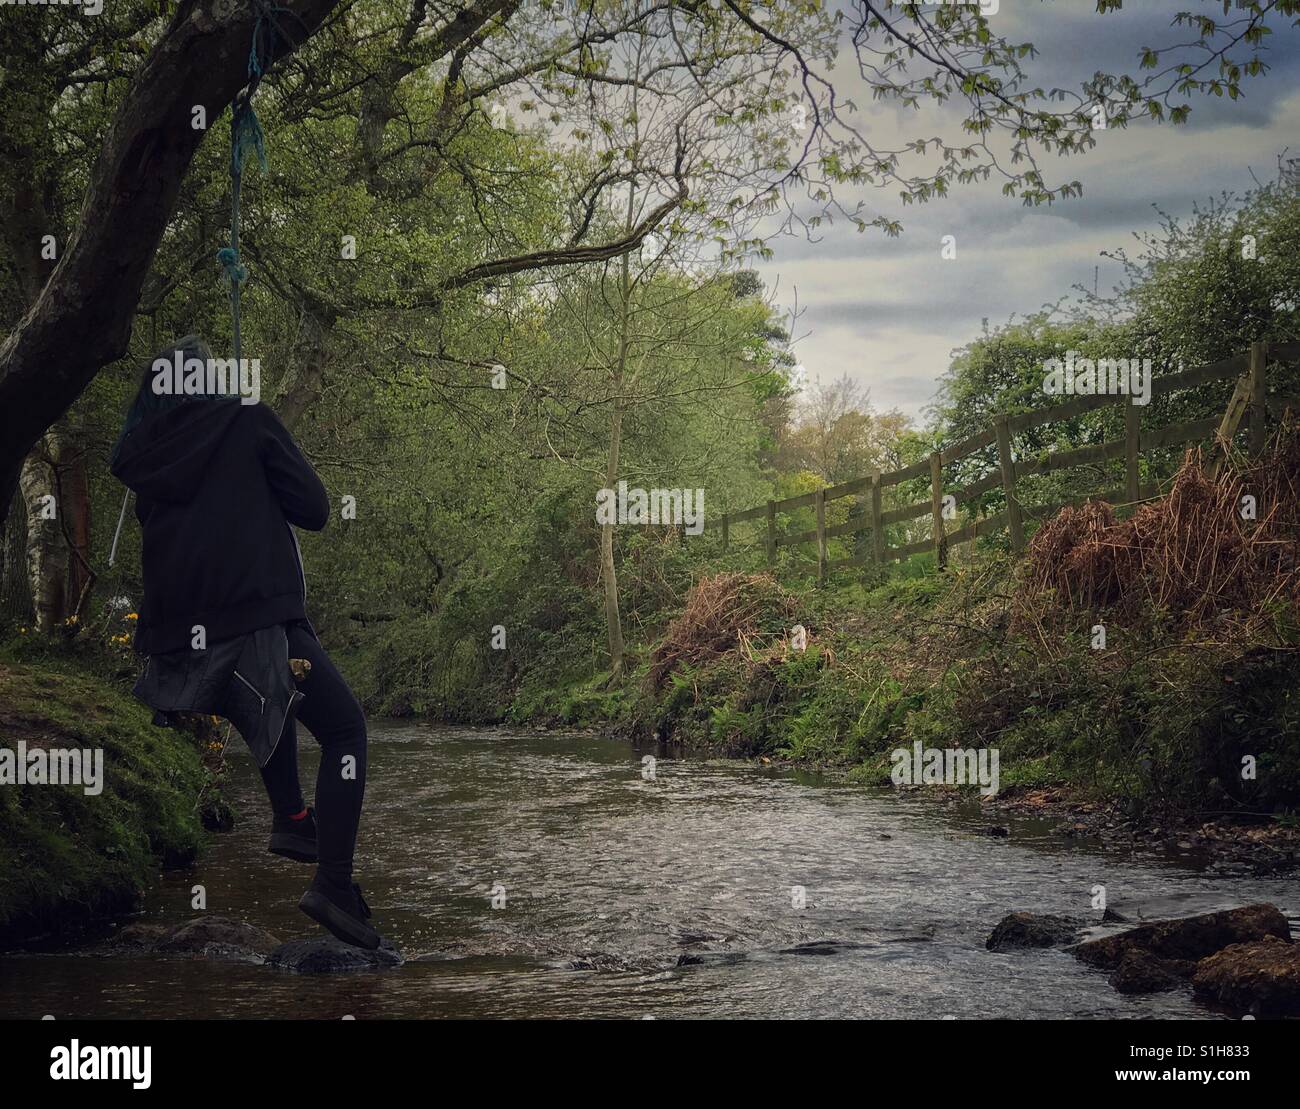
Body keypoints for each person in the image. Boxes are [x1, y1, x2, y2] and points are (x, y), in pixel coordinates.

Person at [110, 336, 380, 949]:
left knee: (267, 695)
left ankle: (291, 818)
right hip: (256, 621)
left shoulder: (146, 458)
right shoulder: (247, 419)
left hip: (179, 646)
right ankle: (333, 884)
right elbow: (312, 508)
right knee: (344, 730)